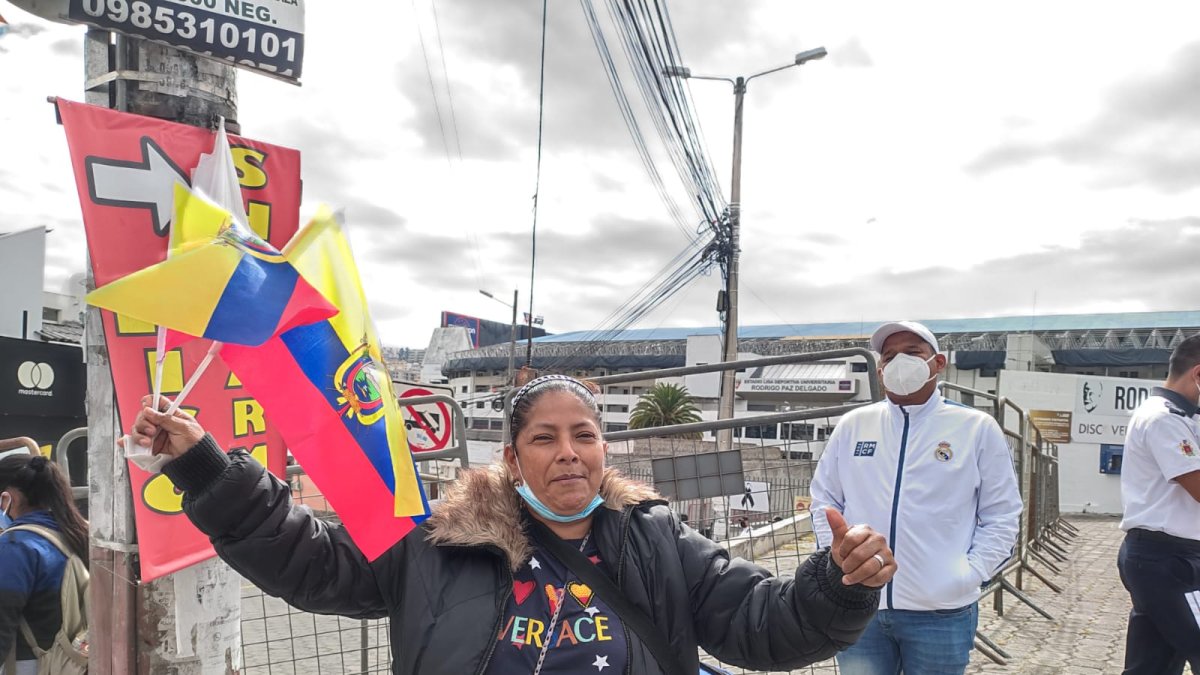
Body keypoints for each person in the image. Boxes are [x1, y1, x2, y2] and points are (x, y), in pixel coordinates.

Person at [128, 374, 899, 674]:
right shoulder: (437, 539)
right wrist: (205, 470)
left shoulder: (655, 537)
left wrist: (837, 583)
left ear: (604, 446)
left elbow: (761, 626)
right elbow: (311, 562)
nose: (569, 452)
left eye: (585, 434)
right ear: (513, 455)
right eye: (545, 437)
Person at [809, 320, 1022, 674]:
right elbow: (824, 500)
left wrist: (968, 574)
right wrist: (841, 558)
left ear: (937, 363)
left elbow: (1002, 515)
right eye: (889, 356)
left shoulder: (976, 428)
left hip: (941, 614)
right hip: (861, 606)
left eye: (912, 353)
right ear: (879, 369)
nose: (898, 363)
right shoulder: (854, 425)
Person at [1117, 335, 1200, 674]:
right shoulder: (1163, 418)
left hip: (1170, 559)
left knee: (1152, 665)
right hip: (1164, 560)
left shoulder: (1187, 417)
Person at [0, 454, 90, 675]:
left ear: (7, 499)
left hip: (27, 665)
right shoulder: (74, 533)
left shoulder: (15, 546)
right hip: (68, 663)